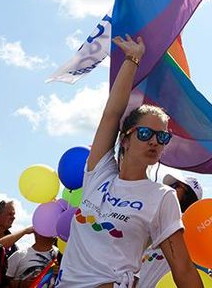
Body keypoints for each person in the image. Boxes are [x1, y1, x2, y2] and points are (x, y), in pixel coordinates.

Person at [54, 34, 202, 288]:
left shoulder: (162, 197)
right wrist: (132, 59)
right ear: (125, 139)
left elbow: (183, 269)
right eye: (145, 134)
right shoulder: (99, 172)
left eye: (162, 137)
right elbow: (111, 114)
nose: (154, 142)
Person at [135, 169, 204, 288]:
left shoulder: (197, 233)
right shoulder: (156, 217)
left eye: (176, 186)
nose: (170, 189)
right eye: (170, 186)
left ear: (189, 195)